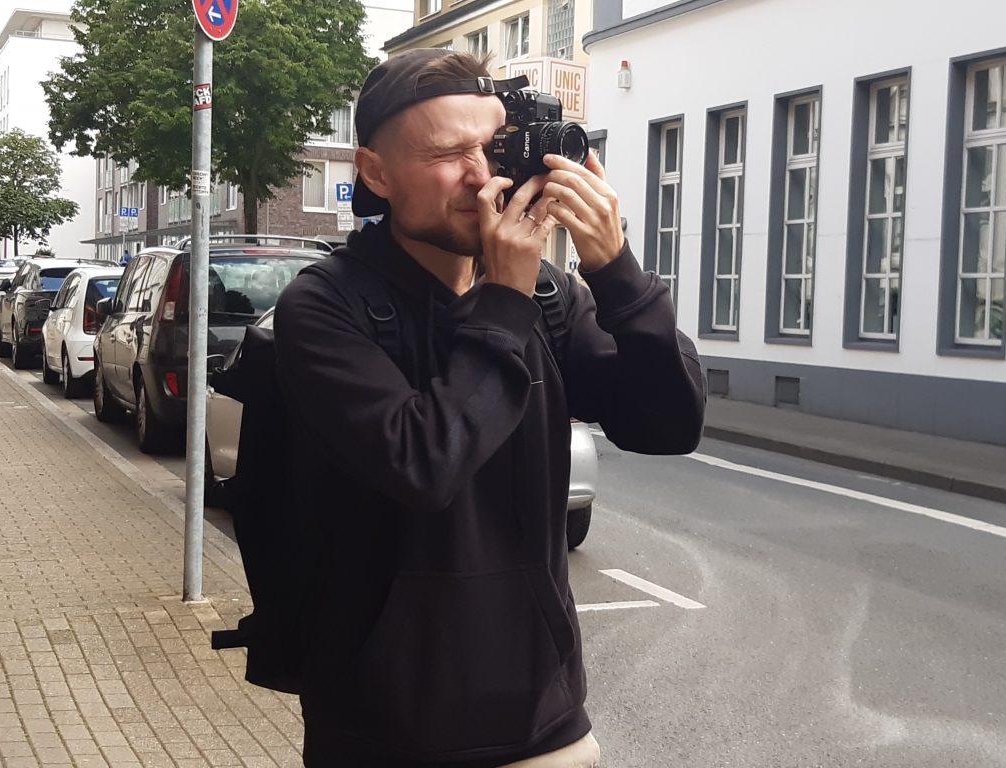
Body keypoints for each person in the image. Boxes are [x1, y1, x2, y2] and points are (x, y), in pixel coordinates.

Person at [273, 49, 706, 767]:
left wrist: (617, 273)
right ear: (375, 173)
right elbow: (422, 465)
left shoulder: (546, 295)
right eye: (449, 153)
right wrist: (502, 300)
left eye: (492, 146)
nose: (481, 176)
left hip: (544, 723)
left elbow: (666, 423)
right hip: (384, 733)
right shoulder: (325, 307)